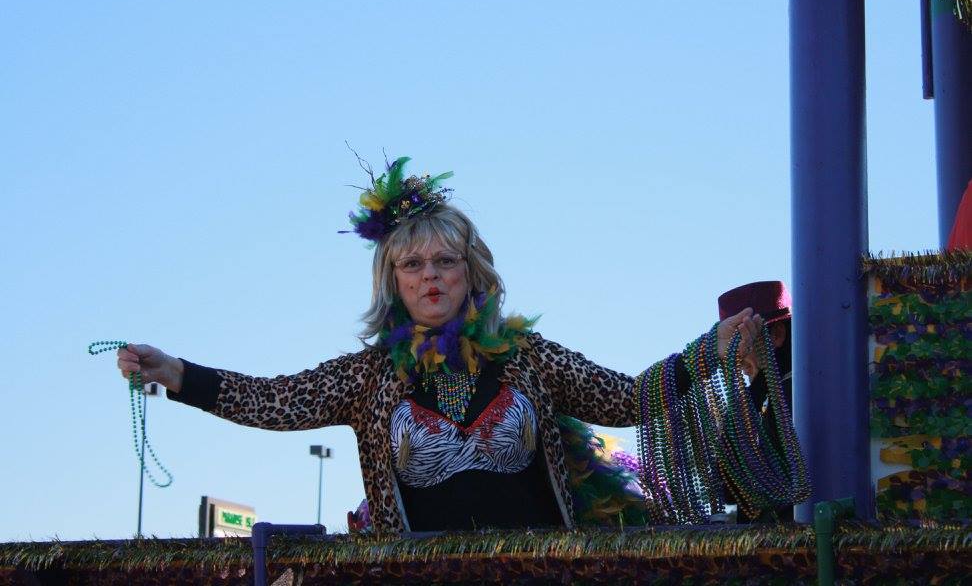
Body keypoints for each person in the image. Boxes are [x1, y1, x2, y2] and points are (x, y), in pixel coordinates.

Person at [116, 157, 765, 533]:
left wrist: (707, 353)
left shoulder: (526, 357)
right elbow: (276, 400)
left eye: (445, 261)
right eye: (414, 264)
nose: (430, 275)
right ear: (393, 281)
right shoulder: (368, 377)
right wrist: (177, 374)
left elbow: (627, 399)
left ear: (471, 272)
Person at [717, 280, 794, 523]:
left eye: (741, 343)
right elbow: (729, 492)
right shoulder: (751, 403)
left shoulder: (797, 395)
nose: (735, 358)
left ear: (777, 335)